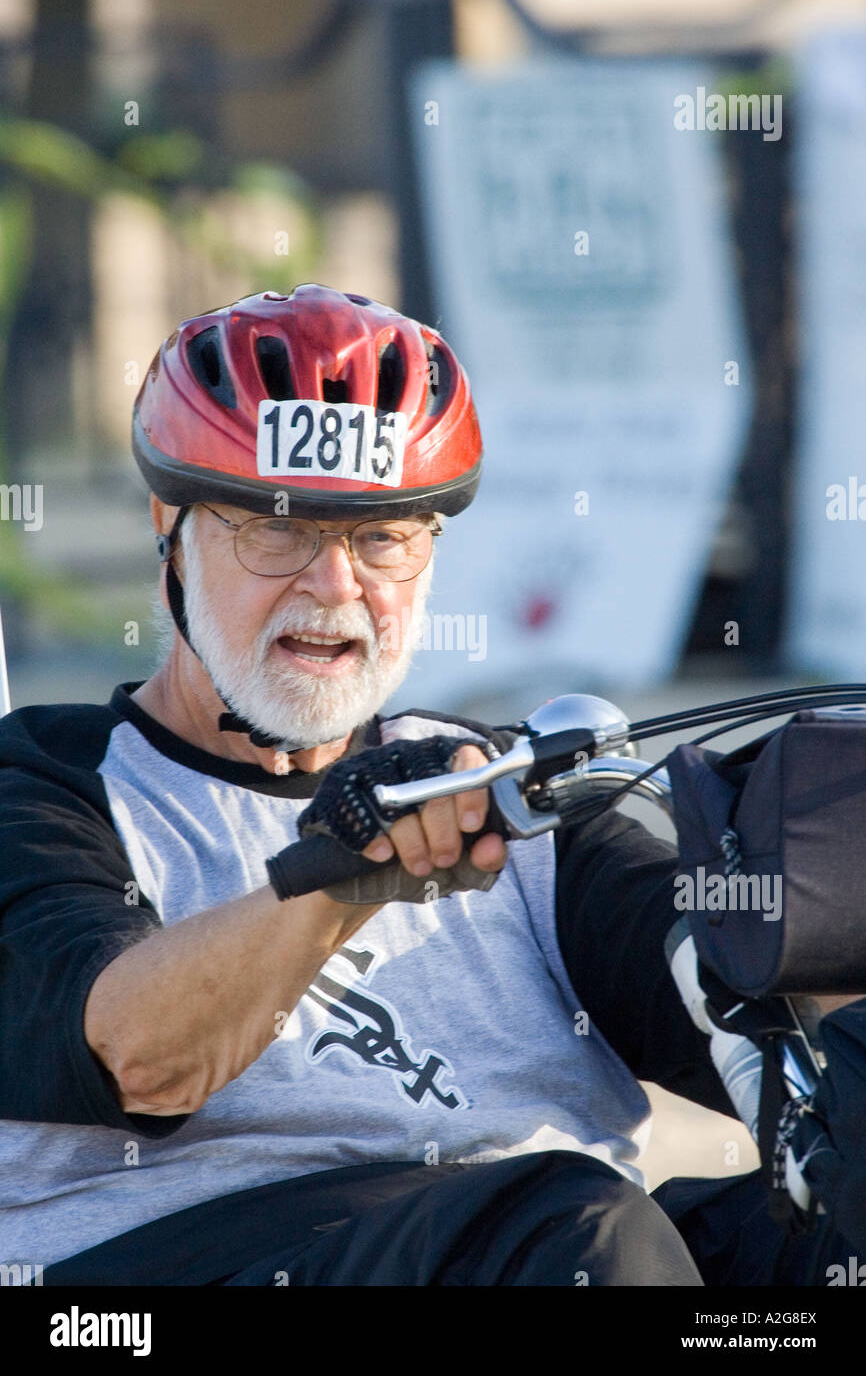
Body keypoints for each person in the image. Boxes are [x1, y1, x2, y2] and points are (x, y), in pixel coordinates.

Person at [0, 285, 858, 1286]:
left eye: (381, 538)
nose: (334, 586)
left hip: (538, 1247)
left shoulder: (493, 791)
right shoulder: (50, 783)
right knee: (578, 1233)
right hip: (173, 1270)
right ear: (169, 527)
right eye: (277, 531)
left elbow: (737, 970)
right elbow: (137, 1053)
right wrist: (347, 869)